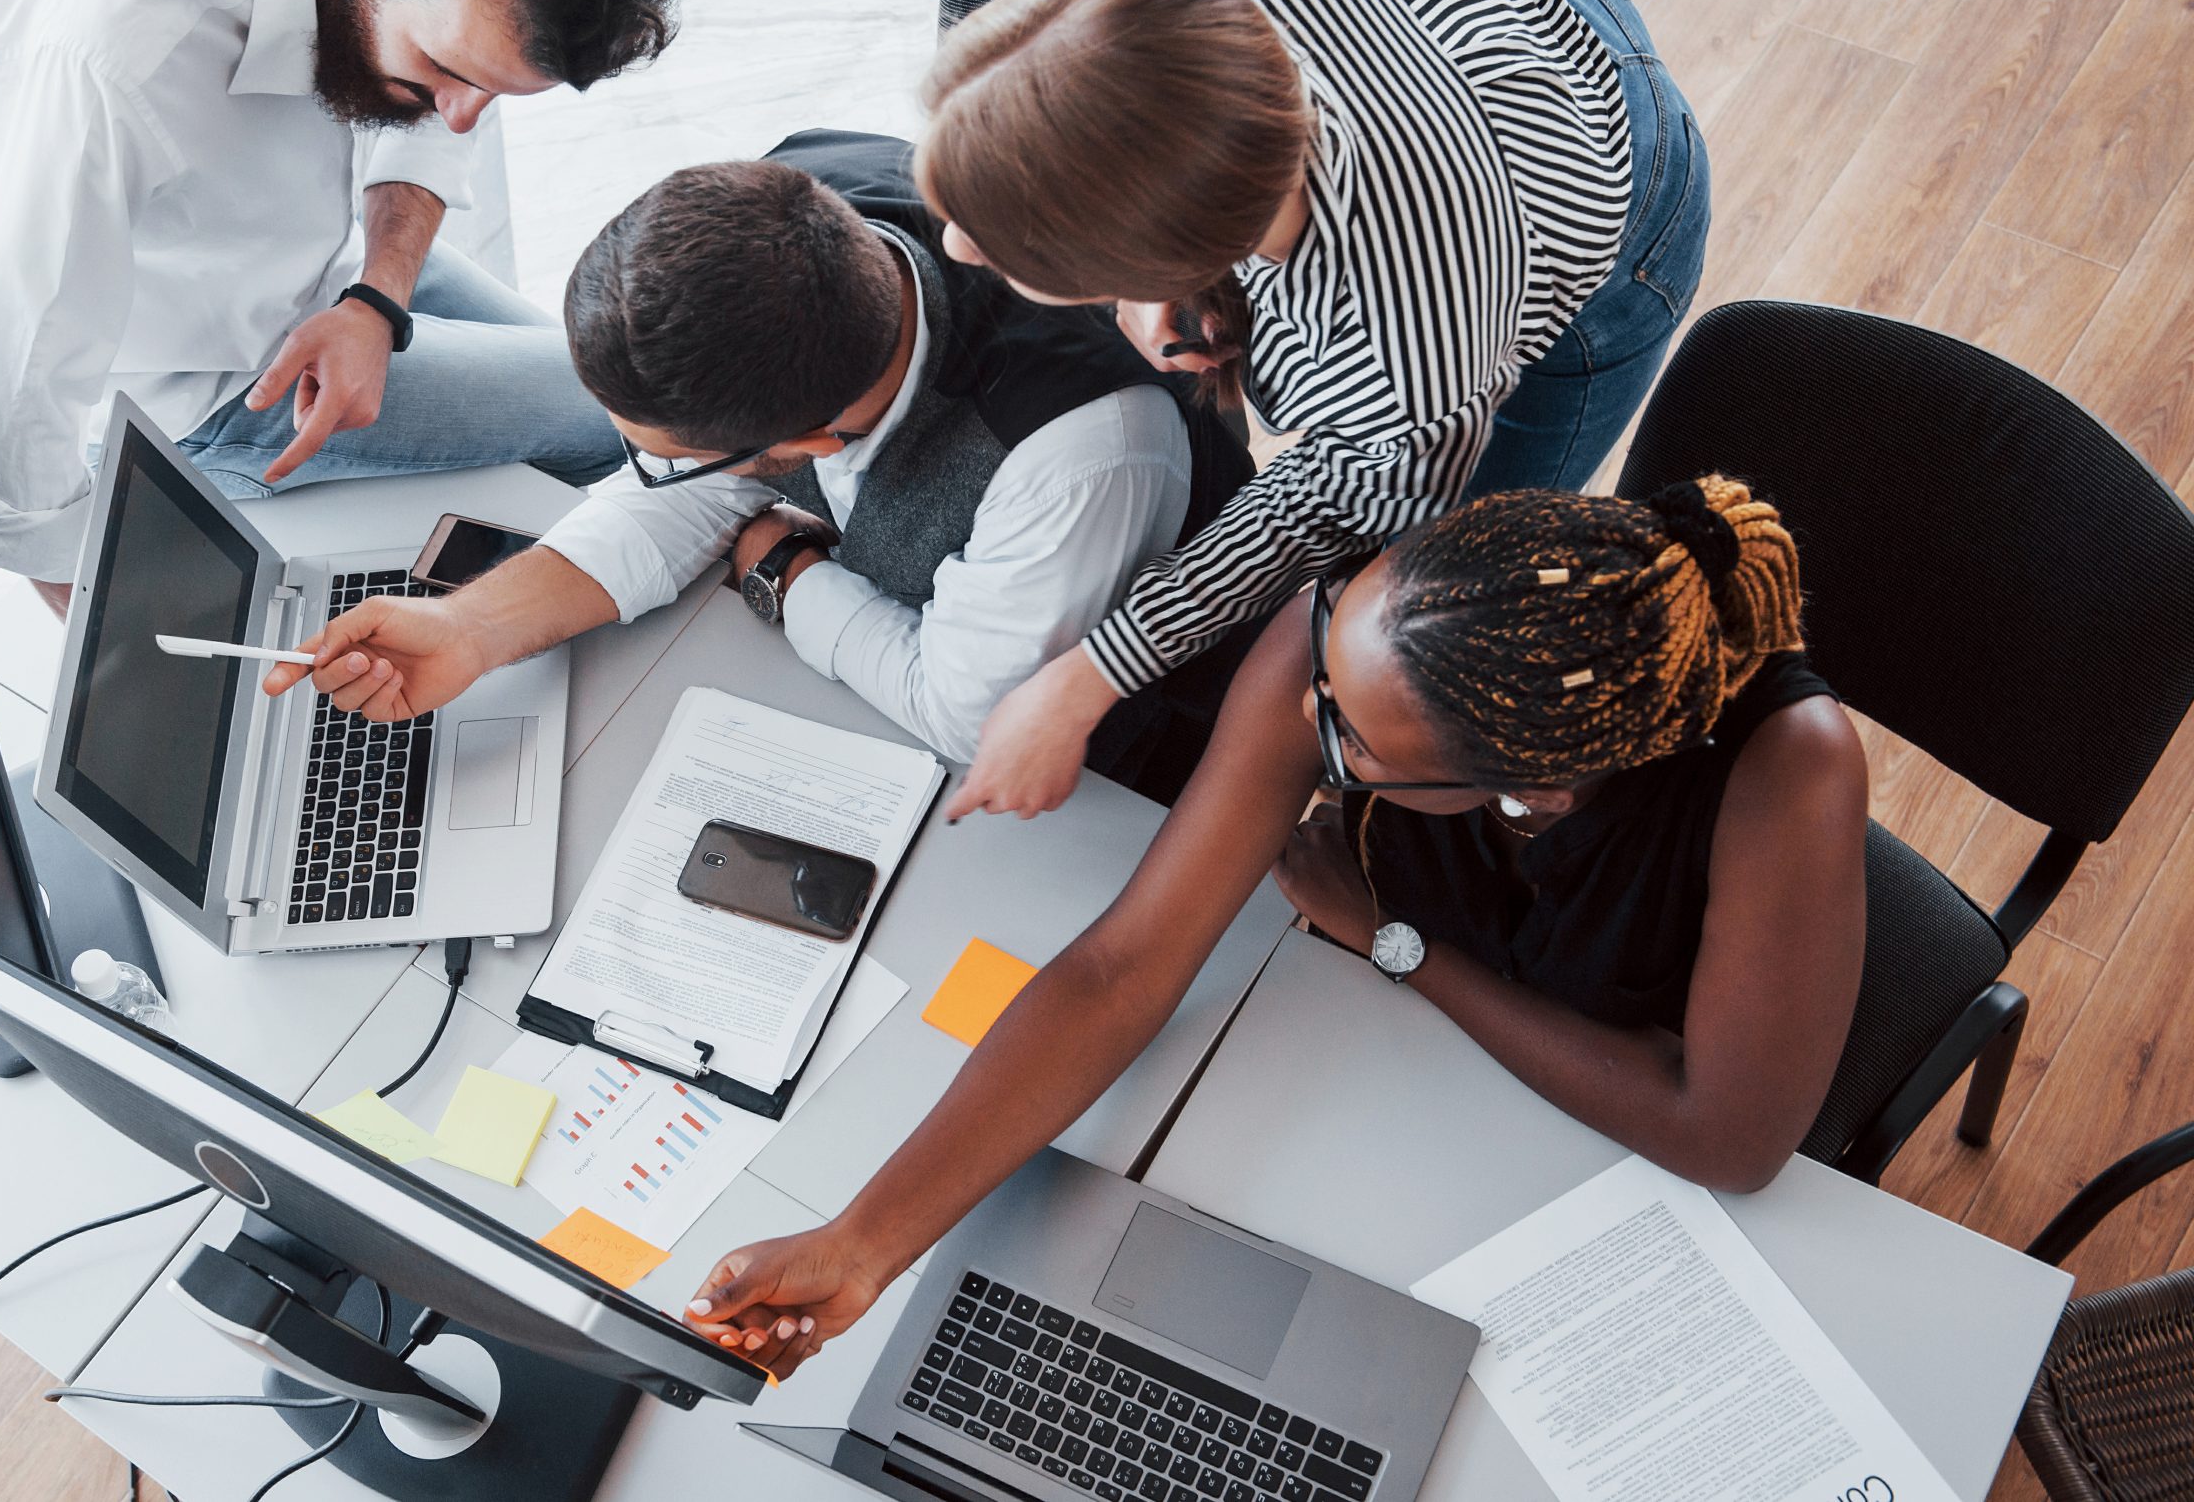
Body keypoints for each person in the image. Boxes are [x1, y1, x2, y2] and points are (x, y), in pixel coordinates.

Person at [679, 477, 1866, 1376]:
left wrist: (1396, 944)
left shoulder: (1788, 771)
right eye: (1327, 671)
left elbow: (1726, 1138)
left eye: (1351, 744)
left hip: (1590, 1150)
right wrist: (863, 1242)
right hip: (1377, 1085)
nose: (1308, 721)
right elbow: (1119, 966)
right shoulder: (1362, 630)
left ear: (1531, 788)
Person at [918, 0, 1711, 821]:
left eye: (1004, 249)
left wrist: (1086, 677)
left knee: (1443, 614)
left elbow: (1323, 509)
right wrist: (1164, 279)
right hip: (1493, 0)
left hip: (1604, 173)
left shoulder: (1412, 351)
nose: (956, 244)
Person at [262, 130, 1251, 775]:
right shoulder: (794, 215)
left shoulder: (1077, 448)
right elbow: (682, 499)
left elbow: (963, 713)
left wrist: (784, 568)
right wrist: (471, 630)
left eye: (672, 456)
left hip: (1138, 747)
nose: (644, 474)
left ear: (809, 446)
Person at [0, 0, 688, 608]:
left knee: (645, 389)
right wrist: (105, 657)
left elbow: (438, 103)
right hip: (211, 382)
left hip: (310, 259)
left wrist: (377, 299)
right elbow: (4, 402)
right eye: (448, 71)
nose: (461, 118)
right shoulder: (114, 64)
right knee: (645, 414)